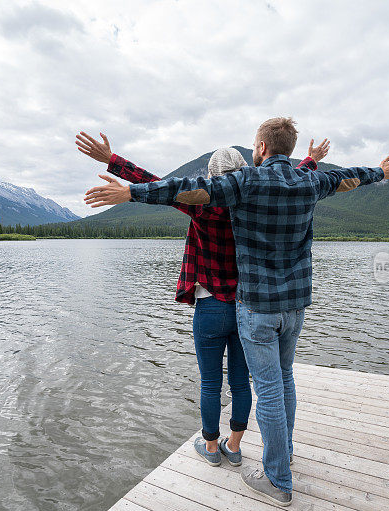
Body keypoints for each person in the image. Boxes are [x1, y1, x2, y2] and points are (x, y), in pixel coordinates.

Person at [82, 117, 389, 507]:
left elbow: (183, 189)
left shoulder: (243, 186)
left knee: (255, 387)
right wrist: (377, 171)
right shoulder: (306, 182)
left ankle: (274, 476)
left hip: (252, 307)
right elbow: (347, 177)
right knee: (278, 381)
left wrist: (129, 186)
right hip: (295, 305)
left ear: (263, 148)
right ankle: (266, 451)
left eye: (256, 144)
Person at [75, 131, 329, 469]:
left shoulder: (202, 206)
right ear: (242, 173)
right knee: (240, 382)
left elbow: (161, 185)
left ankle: (211, 448)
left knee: (210, 383)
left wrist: (112, 161)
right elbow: (286, 180)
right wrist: (311, 160)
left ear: (210, 177)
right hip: (245, 307)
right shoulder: (249, 203)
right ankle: (234, 447)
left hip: (210, 306)